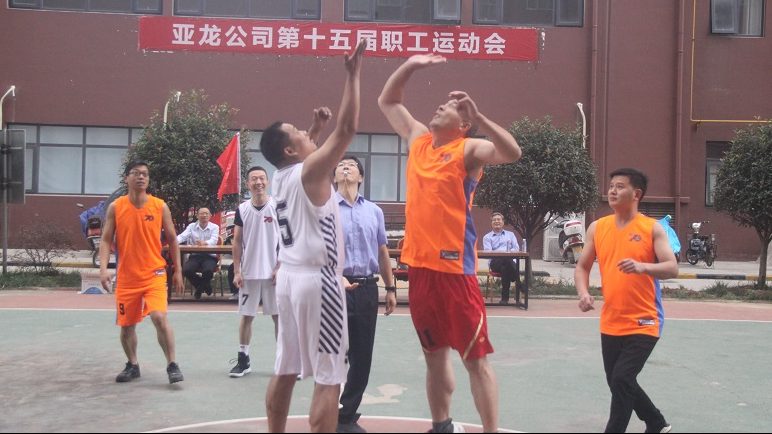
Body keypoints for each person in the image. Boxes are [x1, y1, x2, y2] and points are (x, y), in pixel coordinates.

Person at [378, 54, 522, 433]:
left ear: (463, 124)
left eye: (449, 107)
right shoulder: (419, 140)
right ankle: (441, 425)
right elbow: (388, 101)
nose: (439, 107)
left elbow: (512, 152)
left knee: (475, 360)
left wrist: (481, 116)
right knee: (434, 356)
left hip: (456, 272)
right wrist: (410, 65)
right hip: (420, 270)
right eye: (440, 104)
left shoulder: (468, 149)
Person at [260, 39, 365, 433]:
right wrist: (352, 76)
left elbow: (308, 153)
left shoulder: (279, 176)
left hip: (288, 278)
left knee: (285, 368)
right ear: (291, 150)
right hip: (319, 282)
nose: (308, 133)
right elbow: (348, 130)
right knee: (329, 376)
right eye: (301, 133)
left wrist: (314, 129)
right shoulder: (309, 172)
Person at [575, 168, 678, 433]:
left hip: (645, 320)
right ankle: (656, 423)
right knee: (617, 380)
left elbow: (671, 267)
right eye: (611, 186)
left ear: (636, 194)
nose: (612, 191)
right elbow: (582, 267)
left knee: (622, 378)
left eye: (620, 186)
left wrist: (644, 267)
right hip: (611, 320)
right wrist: (583, 293)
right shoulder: (598, 227)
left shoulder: (651, 228)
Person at [99, 160, 185, 384]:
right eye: (136, 173)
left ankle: (172, 364)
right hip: (127, 277)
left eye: (145, 174)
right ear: (126, 178)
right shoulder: (116, 207)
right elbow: (106, 240)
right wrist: (103, 269)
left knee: (159, 317)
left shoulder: (159, 206)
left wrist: (177, 270)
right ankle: (133, 364)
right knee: (127, 326)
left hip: (154, 274)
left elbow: (173, 239)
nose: (141, 177)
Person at [333, 155, 398, 433]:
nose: (345, 167)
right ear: (334, 177)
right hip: (334, 287)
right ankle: (326, 411)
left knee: (362, 356)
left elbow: (382, 251)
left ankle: (346, 417)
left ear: (361, 177)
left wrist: (390, 287)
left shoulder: (374, 211)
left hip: (367, 288)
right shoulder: (324, 208)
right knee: (332, 354)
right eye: (340, 165)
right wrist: (334, 276)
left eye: (351, 165)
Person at [228, 166, 280, 378]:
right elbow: (237, 241)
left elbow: (288, 239)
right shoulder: (242, 209)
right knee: (247, 316)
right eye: (253, 179)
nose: (258, 182)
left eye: (261, 178)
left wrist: (281, 266)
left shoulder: (278, 206)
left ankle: (284, 361)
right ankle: (243, 359)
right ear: (247, 184)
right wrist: (237, 271)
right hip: (249, 273)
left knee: (279, 317)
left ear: (267, 182)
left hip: (274, 273)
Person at [176, 207, 220, 299]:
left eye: (206, 213)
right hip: (195, 256)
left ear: (210, 216)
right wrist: (173, 242)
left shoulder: (215, 227)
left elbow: (214, 240)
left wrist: (205, 243)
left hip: (209, 256)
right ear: (197, 216)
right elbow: (182, 236)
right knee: (186, 270)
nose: (204, 215)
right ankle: (205, 286)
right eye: (202, 213)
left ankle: (199, 289)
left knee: (208, 271)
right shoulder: (191, 226)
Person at [482, 212, 521, 305]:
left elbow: (516, 248)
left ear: (503, 222)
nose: (497, 221)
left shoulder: (510, 235)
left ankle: (504, 299)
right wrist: (504, 253)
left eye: (499, 219)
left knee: (505, 268)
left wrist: (506, 254)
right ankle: (520, 284)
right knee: (506, 259)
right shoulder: (487, 237)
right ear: (491, 223)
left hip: (508, 262)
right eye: (494, 220)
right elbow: (488, 252)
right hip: (495, 263)